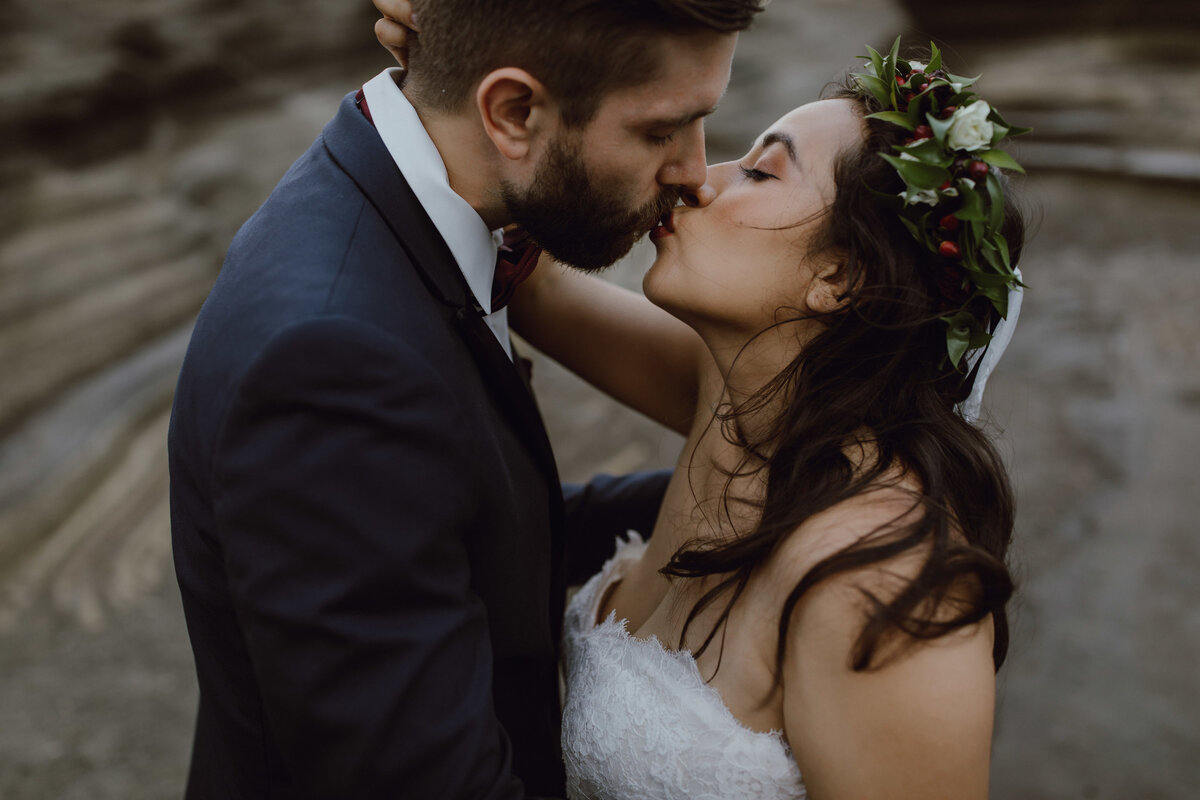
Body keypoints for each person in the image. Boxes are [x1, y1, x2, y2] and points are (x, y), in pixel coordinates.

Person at [374, 11, 1028, 798]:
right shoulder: (737, 395)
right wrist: (460, 54)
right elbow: (525, 259)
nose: (696, 177)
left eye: (759, 172)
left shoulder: (885, 583)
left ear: (841, 277)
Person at [168, 1, 764, 798]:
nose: (694, 171)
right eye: (661, 130)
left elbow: (467, 523)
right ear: (512, 111)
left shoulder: (412, 207)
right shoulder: (332, 360)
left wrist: (775, 513)